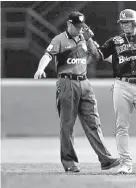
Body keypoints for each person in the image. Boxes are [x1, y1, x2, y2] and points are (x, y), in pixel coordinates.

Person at [34, 11, 120, 172]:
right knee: (67, 124)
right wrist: (41, 68)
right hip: (67, 82)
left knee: (93, 122)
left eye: (82, 26)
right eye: (77, 26)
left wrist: (89, 39)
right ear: (69, 24)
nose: (80, 29)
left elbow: (97, 55)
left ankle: (106, 159)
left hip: (84, 82)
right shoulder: (59, 39)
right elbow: (47, 55)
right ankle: (69, 162)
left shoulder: (85, 38)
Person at [90, 9, 136, 174]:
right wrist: (89, 41)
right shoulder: (116, 41)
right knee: (122, 126)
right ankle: (125, 163)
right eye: (122, 22)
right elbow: (98, 55)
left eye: (127, 22)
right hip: (121, 85)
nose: (124, 25)